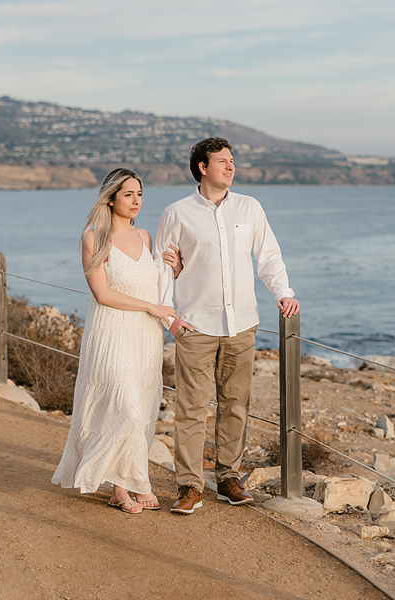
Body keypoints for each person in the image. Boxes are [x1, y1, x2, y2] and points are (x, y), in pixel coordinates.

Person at [155, 137, 299, 515]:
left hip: (242, 323)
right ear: (202, 168)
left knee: (235, 404)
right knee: (191, 407)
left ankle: (227, 479)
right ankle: (189, 485)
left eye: (232, 160)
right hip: (195, 324)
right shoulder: (177, 213)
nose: (230, 167)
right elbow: (160, 268)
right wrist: (169, 317)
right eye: (222, 161)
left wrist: (283, 292)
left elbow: (268, 256)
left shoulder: (250, 208)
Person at [52, 168, 178, 514]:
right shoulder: (93, 238)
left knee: (143, 409)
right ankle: (121, 483)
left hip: (146, 337)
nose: (136, 201)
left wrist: (173, 269)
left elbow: (150, 283)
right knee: (125, 407)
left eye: (140, 195)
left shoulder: (147, 237)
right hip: (111, 333)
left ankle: (122, 487)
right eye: (129, 195)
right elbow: (103, 293)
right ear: (111, 198)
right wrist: (153, 307)